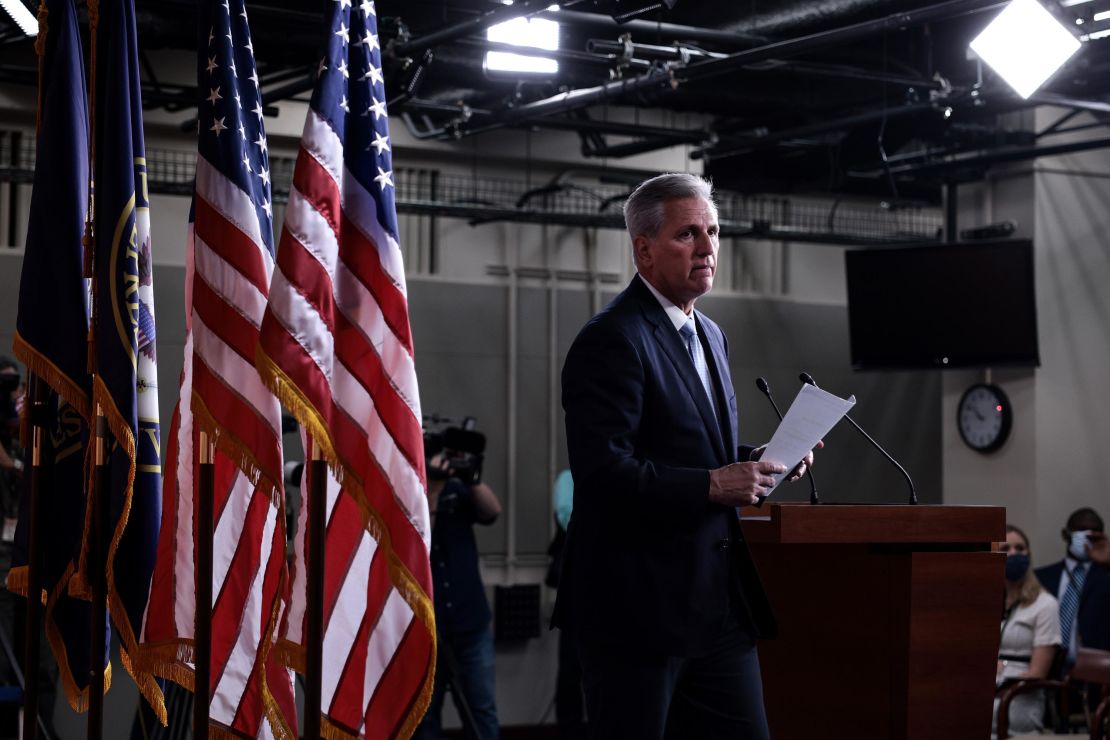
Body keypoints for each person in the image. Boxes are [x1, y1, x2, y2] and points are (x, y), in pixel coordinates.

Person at [554, 173, 817, 740]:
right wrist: (713, 486)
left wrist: (762, 460)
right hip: (637, 612)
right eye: (688, 234)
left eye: (714, 232)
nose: (707, 248)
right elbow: (602, 475)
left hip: (719, 606)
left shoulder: (711, 334)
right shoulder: (612, 339)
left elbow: (700, 452)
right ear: (643, 249)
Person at [414, 447, 502, 740]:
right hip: (425, 630)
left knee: (482, 712)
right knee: (425, 718)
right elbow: (418, 544)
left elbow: (492, 512)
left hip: (470, 624)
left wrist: (471, 477)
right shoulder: (407, 492)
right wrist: (433, 495)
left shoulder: (459, 489)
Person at [993, 524, 1060, 738]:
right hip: (988, 691)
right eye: (1006, 549)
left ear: (1028, 554)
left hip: (1018, 697)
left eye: (1019, 548)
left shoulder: (1045, 604)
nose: (1013, 554)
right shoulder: (991, 601)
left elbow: (1038, 673)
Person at [1035, 508, 1110, 664]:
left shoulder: (1106, 576)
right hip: (1048, 668)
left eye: (1095, 531)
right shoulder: (1041, 577)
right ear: (1065, 534)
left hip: (1094, 671)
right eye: (1081, 530)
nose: (1088, 535)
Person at [546, 469, 585, 740]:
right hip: (580, 588)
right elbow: (568, 518)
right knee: (572, 670)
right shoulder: (568, 479)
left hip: (623, 589)